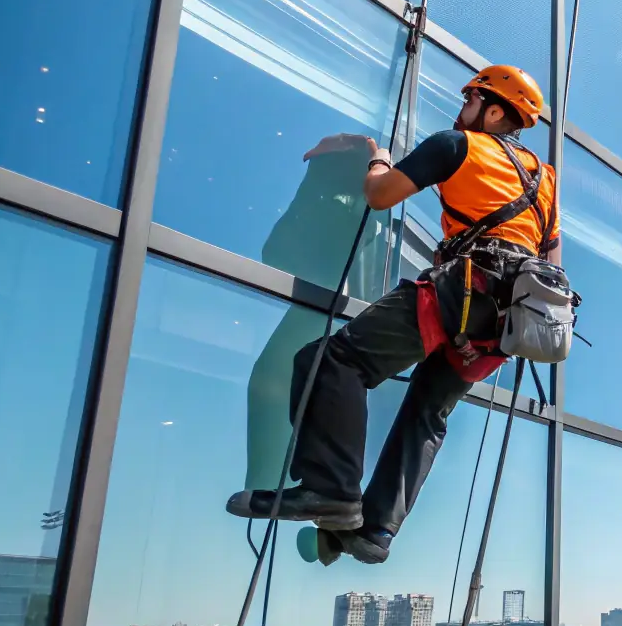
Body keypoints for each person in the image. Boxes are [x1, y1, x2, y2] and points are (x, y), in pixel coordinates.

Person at [227, 65, 559, 565]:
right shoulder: (545, 178)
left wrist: (378, 159)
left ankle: (330, 490)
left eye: (470, 100)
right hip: (505, 322)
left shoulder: (457, 145)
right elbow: (551, 266)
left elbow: (380, 195)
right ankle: (376, 529)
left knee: (333, 361)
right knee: (429, 410)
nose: (461, 109)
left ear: (493, 111)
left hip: (462, 292)